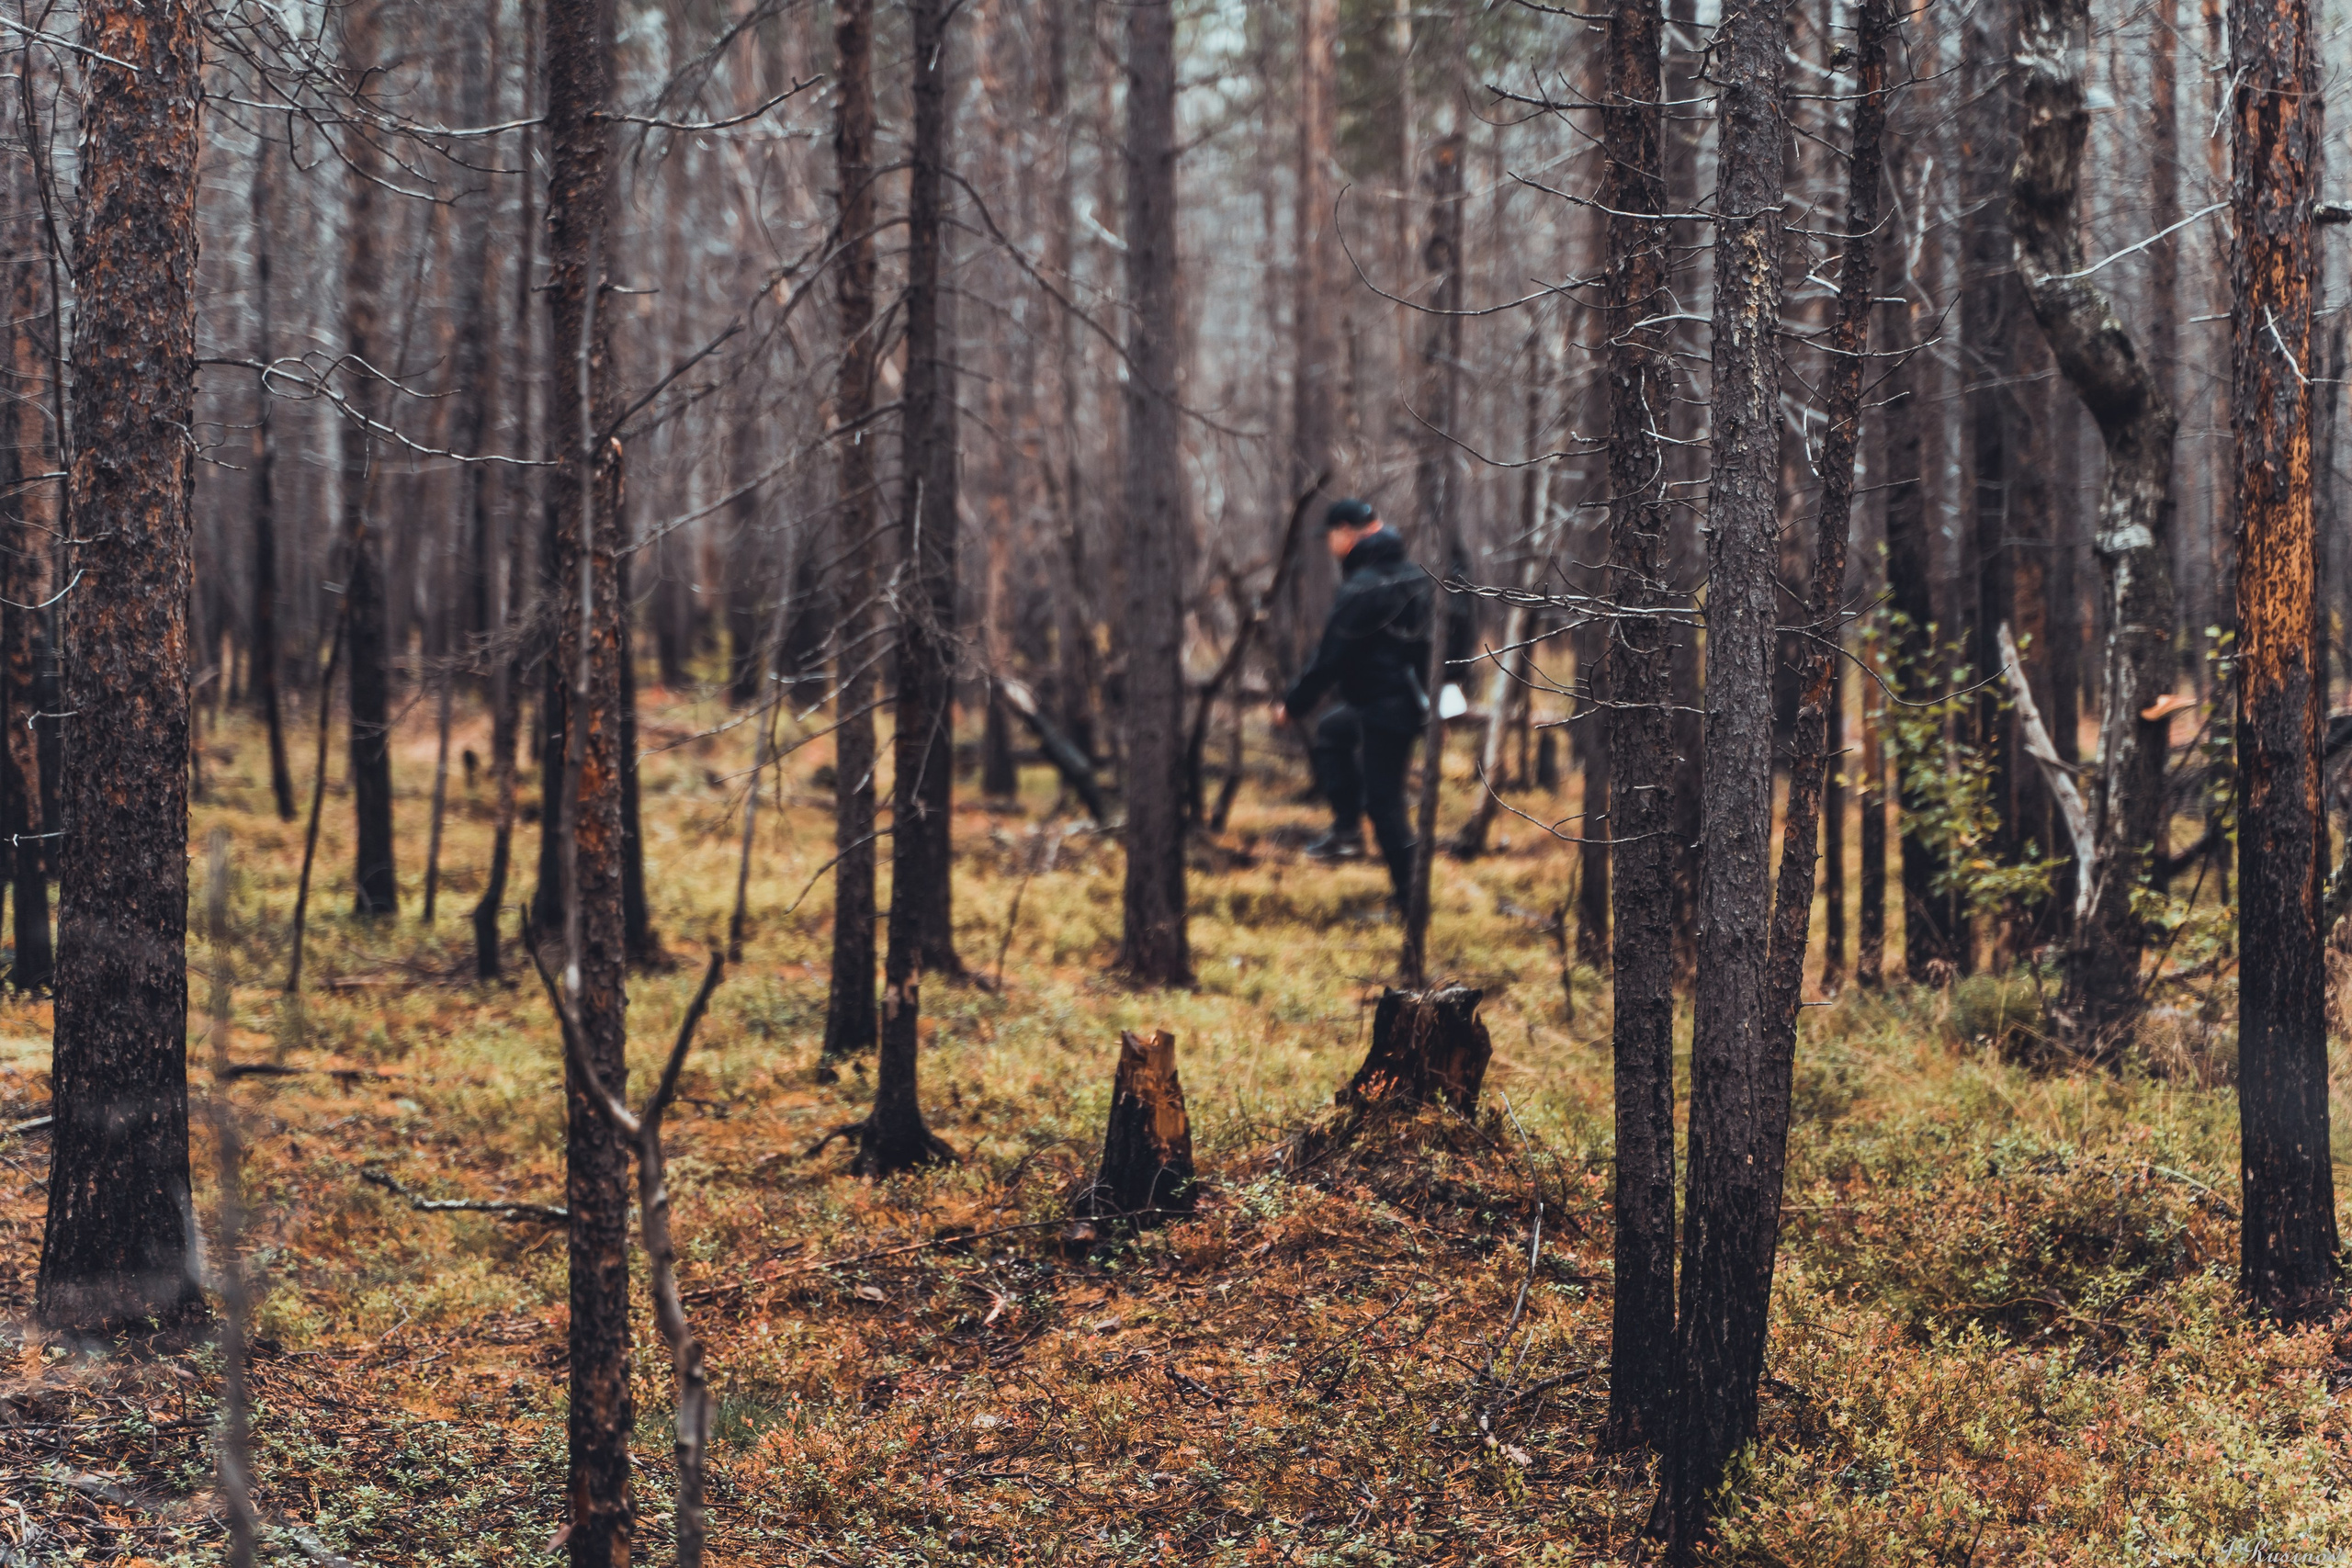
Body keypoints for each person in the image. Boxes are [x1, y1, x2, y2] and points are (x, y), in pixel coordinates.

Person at [1273, 499, 1433, 902]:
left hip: (1389, 708)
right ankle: (1346, 830)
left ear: (1345, 532)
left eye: (1329, 536)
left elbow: (1329, 658)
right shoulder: (1414, 576)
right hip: (1395, 702)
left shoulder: (1363, 587)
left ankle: (1410, 905)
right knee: (1332, 730)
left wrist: (1293, 705)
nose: (1329, 545)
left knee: (1385, 806)